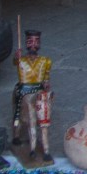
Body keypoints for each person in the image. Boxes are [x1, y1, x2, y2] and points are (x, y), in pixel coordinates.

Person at [12, 29, 54, 162]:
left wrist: (46, 84)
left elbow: (46, 77)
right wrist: (16, 57)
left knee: (44, 124)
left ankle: (46, 150)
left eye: (36, 42)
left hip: (39, 92)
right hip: (25, 91)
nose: (33, 45)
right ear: (26, 43)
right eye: (30, 42)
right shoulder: (21, 60)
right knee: (27, 119)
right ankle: (21, 139)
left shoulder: (45, 61)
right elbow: (15, 62)